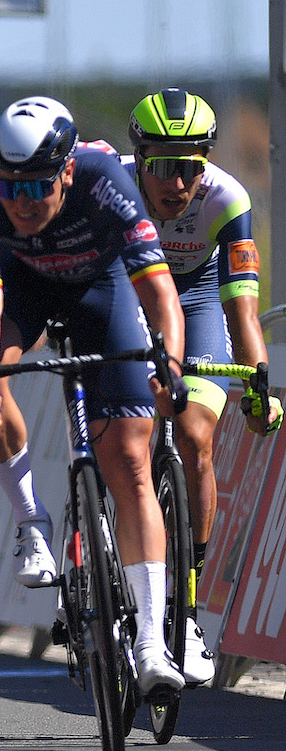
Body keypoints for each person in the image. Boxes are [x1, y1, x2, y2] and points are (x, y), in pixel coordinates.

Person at [0, 97, 186, 700]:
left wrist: (171, 362)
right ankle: (31, 517)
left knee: (131, 462)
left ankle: (151, 644)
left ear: (66, 171)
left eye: (37, 185)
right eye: (11, 187)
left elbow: (159, 290)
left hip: (99, 291)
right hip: (24, 291)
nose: (23, 201)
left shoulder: (106, 181)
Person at [120, 89, 281, 682]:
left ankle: (185, 611)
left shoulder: (228, 198)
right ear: (138, 161)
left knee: (194, 438)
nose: (179, 182)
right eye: (164, 165)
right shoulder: (112, 186)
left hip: (196, 298)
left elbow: (242, 308)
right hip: (128, 294)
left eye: (192, 165)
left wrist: (258, 382)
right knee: (126, 433)